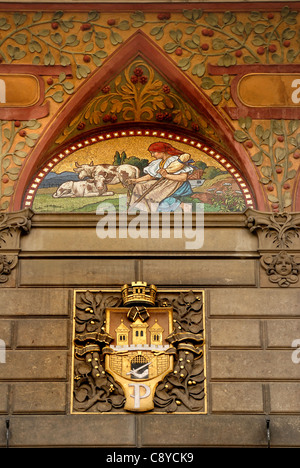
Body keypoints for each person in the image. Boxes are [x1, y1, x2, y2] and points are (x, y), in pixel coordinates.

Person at [128, 142, 194, 212]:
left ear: (162, 152)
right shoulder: (159, 162)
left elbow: (183, 178)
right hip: (166, 182)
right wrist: (136, 180)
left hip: (179, 185)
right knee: (139, 186)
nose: (152, 155)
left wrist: (166, 175)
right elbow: (151, 176)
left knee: (152, 195)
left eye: (153, 152)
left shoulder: (176, 161)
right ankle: (142, 208)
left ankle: (183, 206)